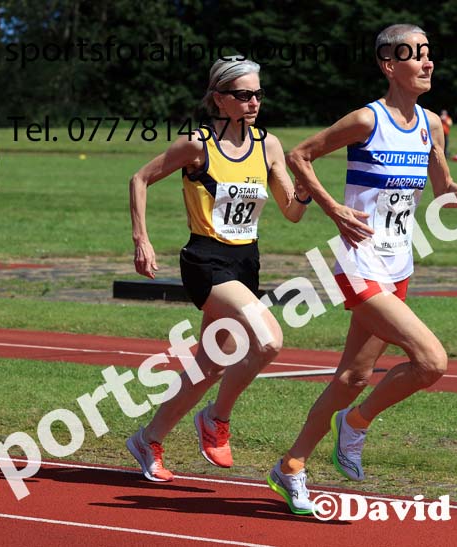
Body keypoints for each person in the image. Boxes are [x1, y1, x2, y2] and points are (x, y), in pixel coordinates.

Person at [266, 24, 457, 515]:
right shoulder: (364, 120)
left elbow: (445, 194)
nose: (427, 62)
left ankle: (291, 465)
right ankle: (356, 424)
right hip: (358, 262)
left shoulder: (431, 125)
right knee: (431, 360)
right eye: (413, 55)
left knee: (353, 375)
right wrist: (333, 209)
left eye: (428, 53)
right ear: (389, 65)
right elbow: (298, 155)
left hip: (398, 262)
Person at [125, 57, 310, 481]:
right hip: (205, 260)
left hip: (246, 261)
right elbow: (139, 178)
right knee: (268, 341)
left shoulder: (269, 146)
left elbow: (291, 212)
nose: (253, 103)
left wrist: (303, 194)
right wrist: (142, 239)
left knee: (210, 365)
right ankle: (216, 419)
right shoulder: (197, 144)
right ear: (218, 99)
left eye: (258, 94)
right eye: (243, 95)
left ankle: (148, 439)